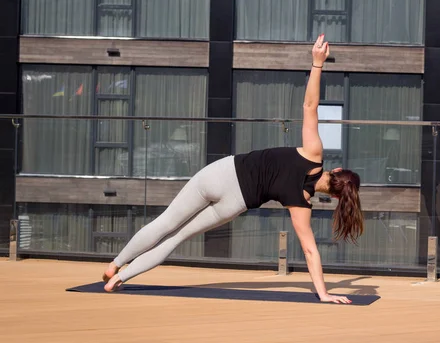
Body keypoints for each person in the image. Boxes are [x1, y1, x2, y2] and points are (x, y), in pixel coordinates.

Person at [102, 35, 364, 304]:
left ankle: (115, 264)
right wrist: (324, 294)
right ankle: (119, 279)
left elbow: (310, 106)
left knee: (166, 223)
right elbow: (310, 251)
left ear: (336, 170)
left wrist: (317, 63)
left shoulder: (314, 154)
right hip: (235, 202)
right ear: (334, 197)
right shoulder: (302, 203)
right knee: (177, 237)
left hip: (222, 175)